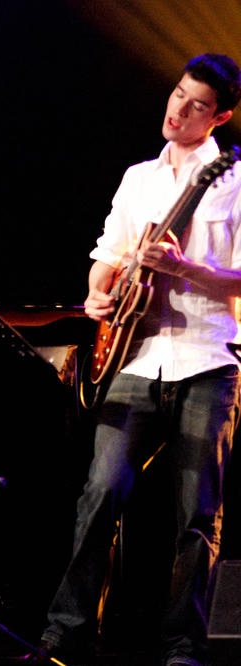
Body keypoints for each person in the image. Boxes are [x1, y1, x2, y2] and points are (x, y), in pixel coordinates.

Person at [30, 54, 241, 666]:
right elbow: (108, 255)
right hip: (135, 358)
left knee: (196, 515)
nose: (178, 110)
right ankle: (65, 633)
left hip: (208, 359)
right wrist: (98, 292)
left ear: (219, 117)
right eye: (177, 94)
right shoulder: (138, 177)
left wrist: (186, 269)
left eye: (197, 105)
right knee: (100, 492)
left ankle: (183, 646)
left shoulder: (233, 181)